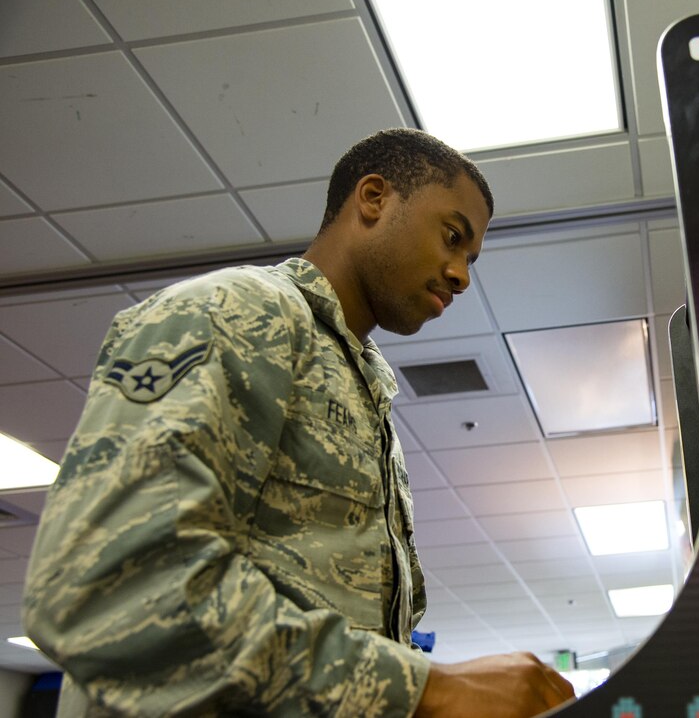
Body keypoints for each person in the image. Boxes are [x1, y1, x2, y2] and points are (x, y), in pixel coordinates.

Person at [22, 128, 575, 717]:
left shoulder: (362, 383)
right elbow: (111, 588)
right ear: (373, 198)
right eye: (452, 237)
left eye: (470, 258)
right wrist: (426, 691)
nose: (462, 274)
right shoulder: (236, 310)